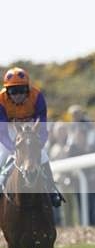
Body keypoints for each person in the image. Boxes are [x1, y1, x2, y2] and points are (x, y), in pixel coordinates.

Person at [0, 67, 62, 206]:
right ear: (7, 91)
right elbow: (2, 133)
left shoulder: (37, 96)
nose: (17, 95)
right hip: (9, 130)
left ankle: (52, 191)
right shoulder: (1, 100)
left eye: (21, 90)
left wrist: (37, 146)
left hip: (31, 127)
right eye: (13, 91)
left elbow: (43, 128)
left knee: (44, 156)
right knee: (1, 158)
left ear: (27, 89)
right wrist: (13, 149)